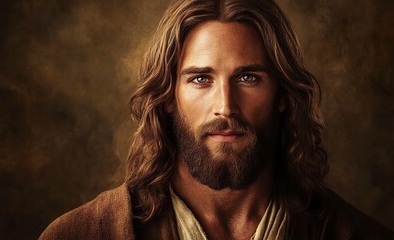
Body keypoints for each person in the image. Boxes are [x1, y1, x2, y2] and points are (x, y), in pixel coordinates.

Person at [39, 0, 394, 239]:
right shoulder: (85, 233)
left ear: (283, 96)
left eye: (248, 78)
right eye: (200, 79)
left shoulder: (356, 234)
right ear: (167, 98)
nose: (225, 106)